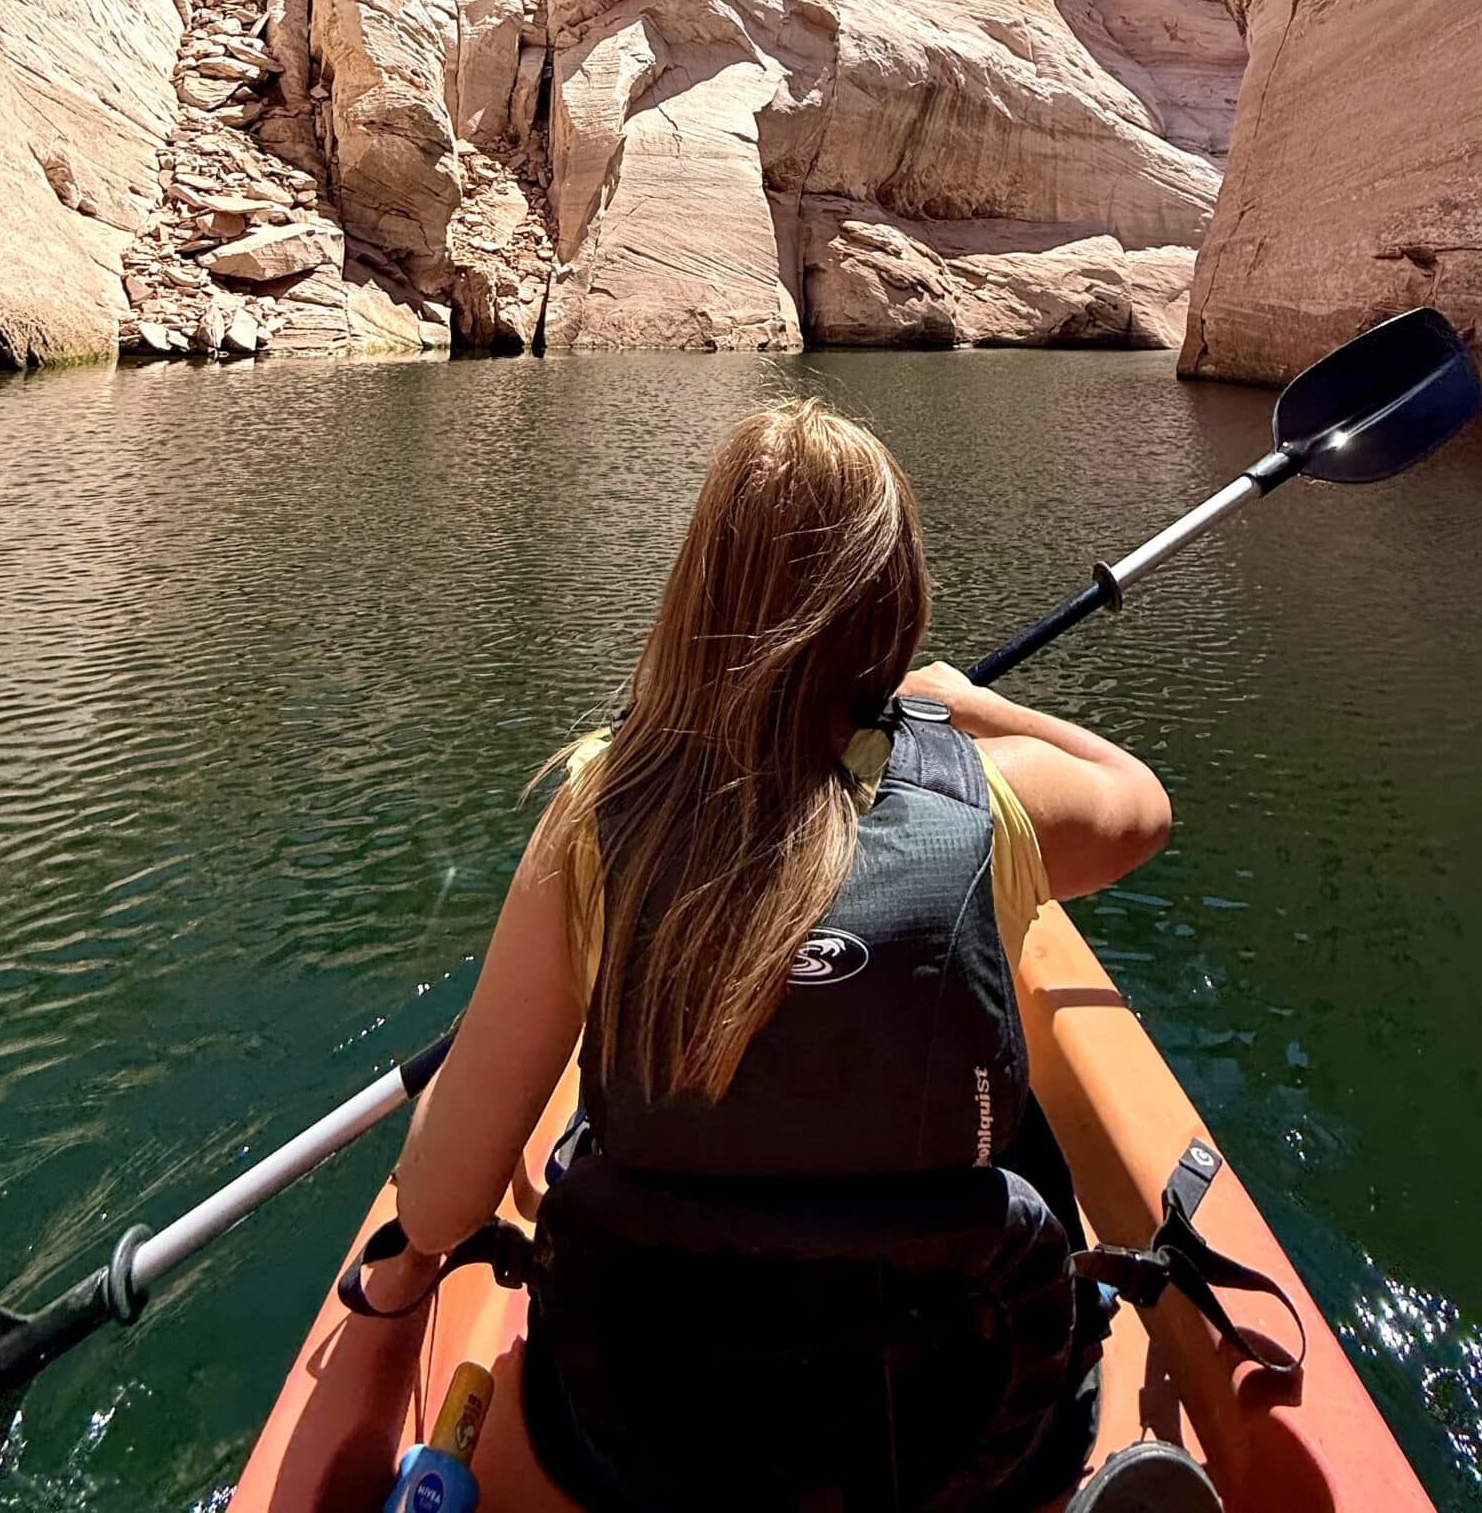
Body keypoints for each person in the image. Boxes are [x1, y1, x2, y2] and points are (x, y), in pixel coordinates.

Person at [384, 399, 1173, 1511]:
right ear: (893, 600)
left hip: (653, 1441)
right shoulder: (990, 803)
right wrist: (974, 705)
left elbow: (435, 1208)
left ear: (697, 598)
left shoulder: (596, 813)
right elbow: (1145, 803)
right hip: (958, 1436)